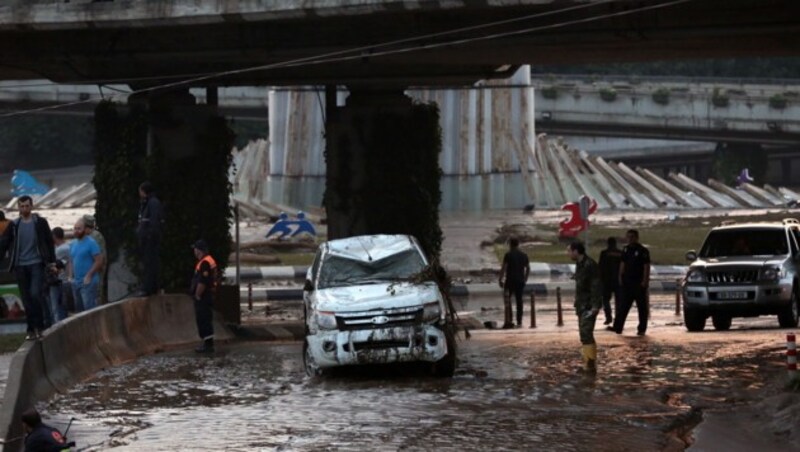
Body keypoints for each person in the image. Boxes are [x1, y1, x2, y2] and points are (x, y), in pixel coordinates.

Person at [0, 196, 56, 340]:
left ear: (31, 206)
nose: (24, 209)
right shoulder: (14, 225)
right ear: (18, 208)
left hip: (36, 263)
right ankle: (32, 329)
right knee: (26, 299)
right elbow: (4, 244)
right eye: (21, 206)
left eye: (26, 206)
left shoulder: (40, 223)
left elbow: (49, 243)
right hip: (20, 266)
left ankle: (40, 325)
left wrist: (52, 262)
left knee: (35, 294)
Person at [568, 241, 602, 373]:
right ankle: (589, 360)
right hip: (581, 304)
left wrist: (595, 306)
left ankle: (590, 363)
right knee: (584, 333)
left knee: (586, 333)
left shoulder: (589, 264)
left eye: (569, 251)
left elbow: (596, 286)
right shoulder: (580, 264)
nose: (568, 254)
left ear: (576, 251)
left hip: (588, 305)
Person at [613, 229, 651, 336]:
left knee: (642, 308)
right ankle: (618, 327)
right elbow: (622, 264)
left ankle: (642, 329)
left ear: (636, 237)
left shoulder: (643, 251)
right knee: (623, 307)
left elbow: (646, 266)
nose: (630, 239)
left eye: (632, 237)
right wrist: (620, 277)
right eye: (628, 237)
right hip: (627, 283)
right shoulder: (626, 250)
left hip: (639, 283)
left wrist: (645, 280)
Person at [67, 218, 103, 313]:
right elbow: (71, 261)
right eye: (75, 228)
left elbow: (99, 261)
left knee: (89, 311)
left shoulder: (91, 243)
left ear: (85, 229)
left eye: (79, 228)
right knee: (79, 311)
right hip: (76, 282)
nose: (76, 231)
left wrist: (89, 275)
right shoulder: (72, 244)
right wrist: (70, 277)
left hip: (88, 283)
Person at [137, 181, 163, 296]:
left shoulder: (153, 203)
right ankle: (149, 286)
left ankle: (149, 287)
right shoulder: (147, 203)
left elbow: (154, 220)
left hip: (150, 239)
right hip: (146, 238)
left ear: (144, 191)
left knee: (150, 263)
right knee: (147, 263)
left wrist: (149, 234)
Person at [191, 240, 217, 353]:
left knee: (203, 319)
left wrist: (197, 294)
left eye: (195, 249)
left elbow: (203, 281)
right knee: (206, 318)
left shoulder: (205, 263)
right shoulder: (208, 260)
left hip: (203, 296)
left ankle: (208, 345)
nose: (194, 251)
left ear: (198, 250)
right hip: (208, 295)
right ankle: (207, 343)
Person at [498, 237, 530, 328]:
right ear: (518, 244)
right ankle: (519, 320)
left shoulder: (508, 255)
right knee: (519, 301)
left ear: (510, 245)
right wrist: (525, 279)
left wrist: (500, 279)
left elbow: (504, 268)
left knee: (508, 301)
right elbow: (528, 268)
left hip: (510, 281)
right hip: (520, 281)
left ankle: (509, 318)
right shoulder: (524, 255)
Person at [46, 227, 70, 324]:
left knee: (56, 308)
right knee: (63, 307)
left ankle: (57, 326)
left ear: (54, 236)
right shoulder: (68, 247)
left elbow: (53, 265)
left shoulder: (59, 250)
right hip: (65, 280)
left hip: (59, 281)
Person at [82, 215, 107, 304]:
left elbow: (99, 256)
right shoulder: (91, 236)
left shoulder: (95, 236)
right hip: (92, 271)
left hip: (96, 271)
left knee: (96, 296)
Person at [598, 237, 622, 327]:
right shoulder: (620, 253)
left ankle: (608, 317)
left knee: (605, 300)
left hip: (606, 281)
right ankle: (618, 318)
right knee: (618, 301)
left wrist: (599, 280)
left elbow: (600, 267)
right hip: (618, 281)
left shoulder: (604, 253)